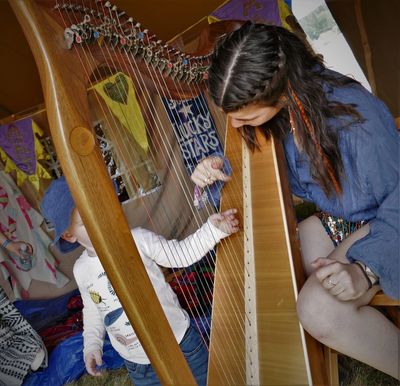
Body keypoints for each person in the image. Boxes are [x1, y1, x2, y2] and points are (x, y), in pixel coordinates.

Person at [191, 22, 399, 379]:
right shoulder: (285, 114)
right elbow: (262, 171)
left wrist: (365, 269)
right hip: (343, 218)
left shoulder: (357, 120)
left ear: (282, 93)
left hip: (386, 218)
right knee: (274, 259)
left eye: (245, 116)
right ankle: (332, 355)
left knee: (318, 308)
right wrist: (215, 171)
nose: (236, 125)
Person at [40, 176, 239, 386]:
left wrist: (213, 230)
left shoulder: (138, 239)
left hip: (181, 344)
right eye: (85, 222)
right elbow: (92, 310)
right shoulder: (81, 270)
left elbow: (181, 255)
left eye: (100, 209)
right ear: (69, 235)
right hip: (139, 366)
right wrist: (92, 345)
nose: (99, 221)